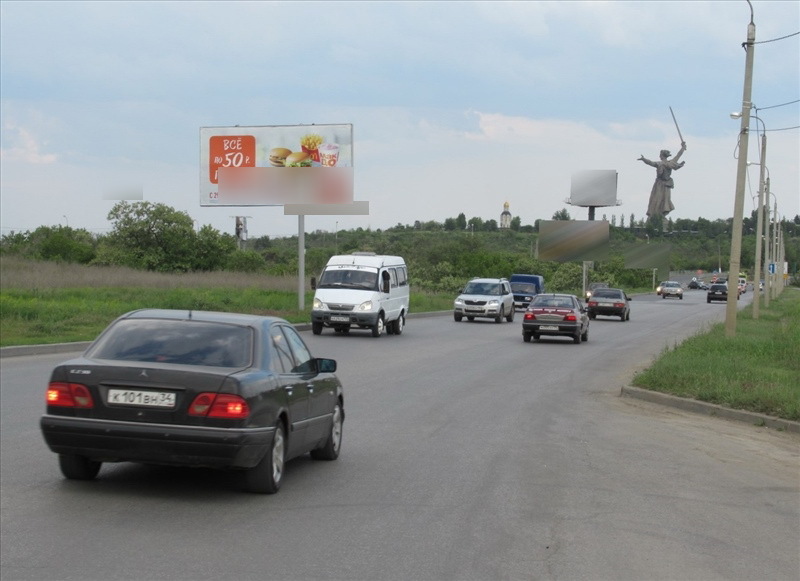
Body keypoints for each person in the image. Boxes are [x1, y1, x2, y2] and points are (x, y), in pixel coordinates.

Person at [638, 141, 686, 217]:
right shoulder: (671, 162)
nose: (659, 156)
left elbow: (651, 163)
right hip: (665, 184)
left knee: (658, 199)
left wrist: (644, 159)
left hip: (660, 184)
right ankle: (657, 215)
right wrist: (683, 148)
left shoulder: (660, 163)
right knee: (662, 200)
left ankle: (657, 215)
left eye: (660, 155)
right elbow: (678, 155)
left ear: (662, 156)